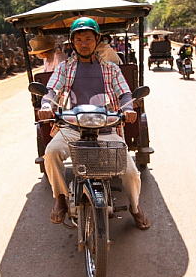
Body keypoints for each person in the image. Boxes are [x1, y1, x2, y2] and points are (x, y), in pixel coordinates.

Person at [38, 17, 150, 230]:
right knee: (51, 154)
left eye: (88, 38)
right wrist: (46, 105)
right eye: (78, 39)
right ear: (72, 42)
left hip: (105, 129)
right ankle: (61, 198)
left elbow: (125, 93)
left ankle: (135, 208)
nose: (83, 43)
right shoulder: (64, 68)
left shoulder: (110, 68)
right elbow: (52, 91)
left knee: (132, 173)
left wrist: (127, 109)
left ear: (97, 40)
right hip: (72, 128)